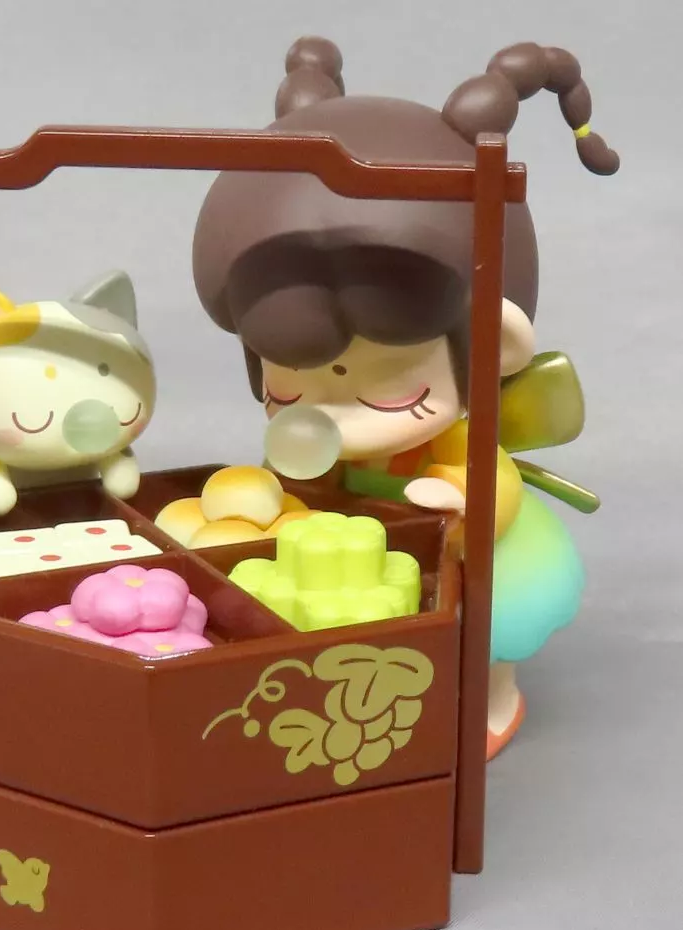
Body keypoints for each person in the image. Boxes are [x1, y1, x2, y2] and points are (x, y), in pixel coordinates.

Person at [192, 37, 618, 758]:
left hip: (453, 553)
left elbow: (492, 488)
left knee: (488, 611)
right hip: (345, 563)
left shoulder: (456, 441)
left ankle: (488, 696)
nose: (332, 408)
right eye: (292, 377)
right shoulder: (316, 443)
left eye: (387, 379)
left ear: (495, 344)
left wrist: (456, 497)